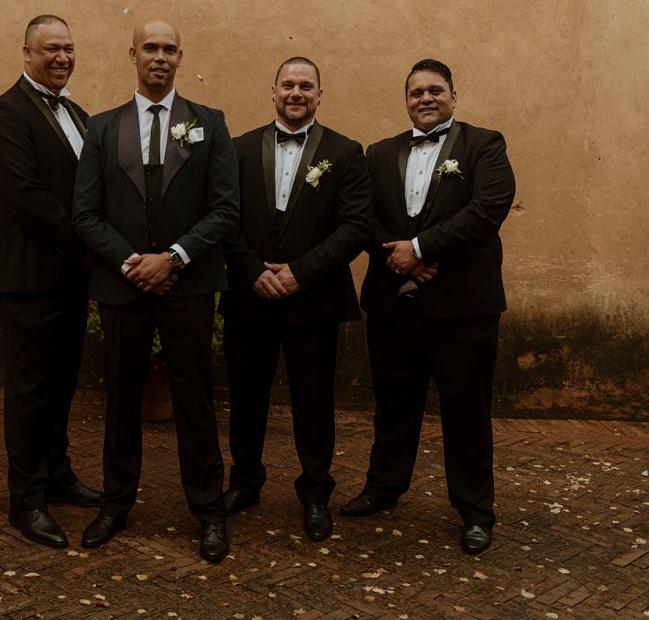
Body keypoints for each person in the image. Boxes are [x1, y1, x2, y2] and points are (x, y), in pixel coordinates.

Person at [72, 19, 239, 562]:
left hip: (188, 286)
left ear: (180, 57)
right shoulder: (102, 128)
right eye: (150, 47)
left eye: (169, 49)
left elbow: (225, 209)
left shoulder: (210, 123)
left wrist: (173, 258)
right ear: (133, 55)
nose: (160, 56)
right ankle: (115, 504)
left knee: (195, 399)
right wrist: (131, 263)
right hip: (123, 286)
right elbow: (85, 213)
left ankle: (209, 511)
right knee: (121, 398)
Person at [342, 59, 516, 555]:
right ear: (406, 100)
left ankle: (475, 511)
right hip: (394, 306)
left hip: (463, 309)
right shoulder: (379, 153)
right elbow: (362, 217)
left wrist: (418, 249)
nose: (425, 98)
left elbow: (488, 209)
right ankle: (383, 487)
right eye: (416, 92)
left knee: (466, 413)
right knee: (393, 407)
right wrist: (399, 260)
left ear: (453, 97)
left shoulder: (484, 145)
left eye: (435, 90)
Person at [220, 57, 372, 541]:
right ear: (273, 91)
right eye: (288, 84)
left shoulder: (345, 152)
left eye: (306, 86)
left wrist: (300, 274)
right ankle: (245, 482)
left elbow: (356, 225)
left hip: (314, 301)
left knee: (314, 401)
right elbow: (223, 217)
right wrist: (251, 272)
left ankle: (315, 493)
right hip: (250, 298)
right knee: (246, 397)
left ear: (319, 95)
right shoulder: (238, 149)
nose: (296, 93)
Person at [0, 15, 100, 549]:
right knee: (30, 390)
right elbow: (27, 196)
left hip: (71, 276)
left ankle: (57, 473)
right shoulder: (5, 114)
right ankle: (25, 499)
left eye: (68, 48)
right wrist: (90, 243)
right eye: (50, 48)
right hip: (27, 278)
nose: (62, 57)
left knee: (63, 381)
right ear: (26, 53)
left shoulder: (77, 113)